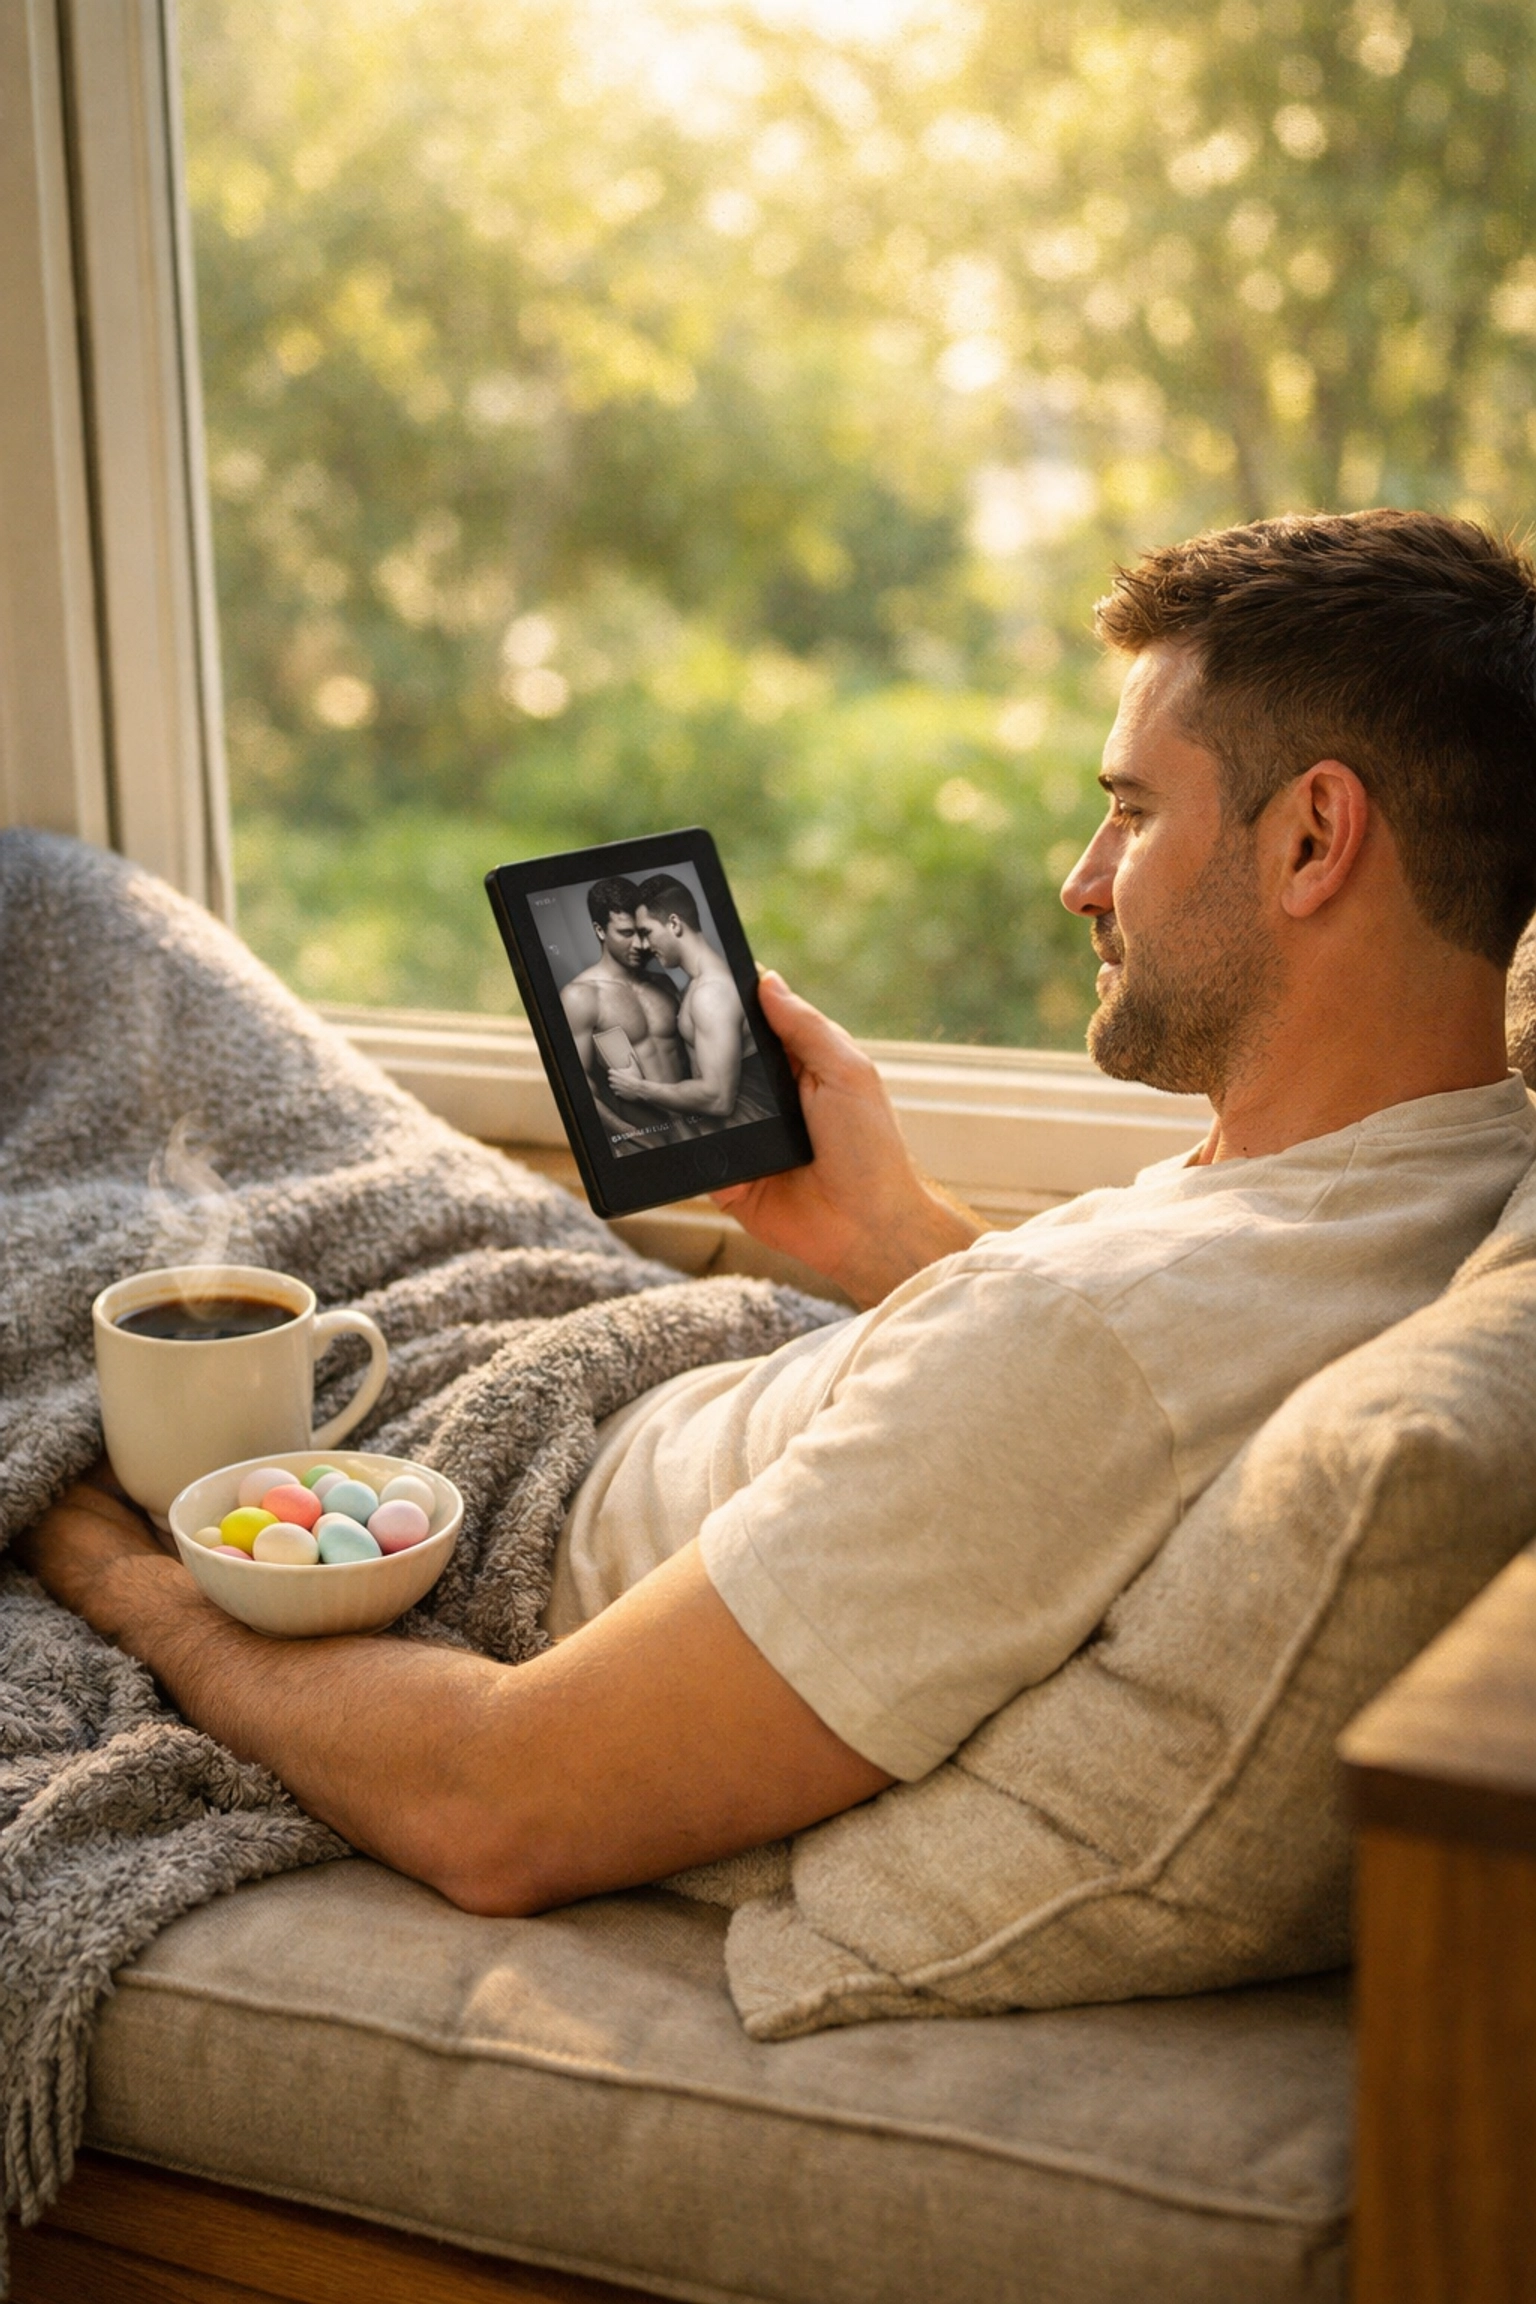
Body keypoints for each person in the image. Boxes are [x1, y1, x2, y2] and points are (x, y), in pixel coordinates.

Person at [24, 510, 1536, 1918]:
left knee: (74, 943)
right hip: (661, 1350)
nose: (1082, 880)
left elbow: (501, 1802)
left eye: (1132, 814)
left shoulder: (1090, 1347)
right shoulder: (1456, 1167)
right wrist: (890, 1237)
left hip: (502, 1469)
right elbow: (1081, 1364)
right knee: (89, 951)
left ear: (1313, 840)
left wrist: (114, 1573)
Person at [601, 877, 778, 1132]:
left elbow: (719, 1099)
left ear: (674, 923)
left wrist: (639, 1088)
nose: (646, 946)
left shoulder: (711, 994)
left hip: (751, 1132)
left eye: (647, 933)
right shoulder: (696, 986)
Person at [556, 875, 697, 1155]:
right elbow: (577, 1085)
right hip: (641, 1141)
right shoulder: (582, 996)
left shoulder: (664, 984)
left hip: (693, 1130)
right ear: (599, 930)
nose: (640, 946)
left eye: (643, 933)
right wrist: (628, 1134)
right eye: (625, 933)